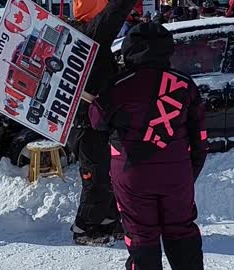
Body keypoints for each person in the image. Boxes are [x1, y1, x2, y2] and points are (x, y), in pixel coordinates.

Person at [88, 22, 207, 270]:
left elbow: (97, 122)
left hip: (132, 173)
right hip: (177, 173)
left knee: (142, 235)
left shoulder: (120, 84)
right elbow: (200, 137)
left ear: (130, 49)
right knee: (181, 230)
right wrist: (188, 172)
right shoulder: (184, 83)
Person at [68, 0, 138, 246]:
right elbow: (114, 14)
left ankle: (108, 220)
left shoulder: (85, 37)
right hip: (86, 124)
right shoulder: (89, 35)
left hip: (95, 121)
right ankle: (85, 227)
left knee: (107, 172)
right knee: (96, 175)